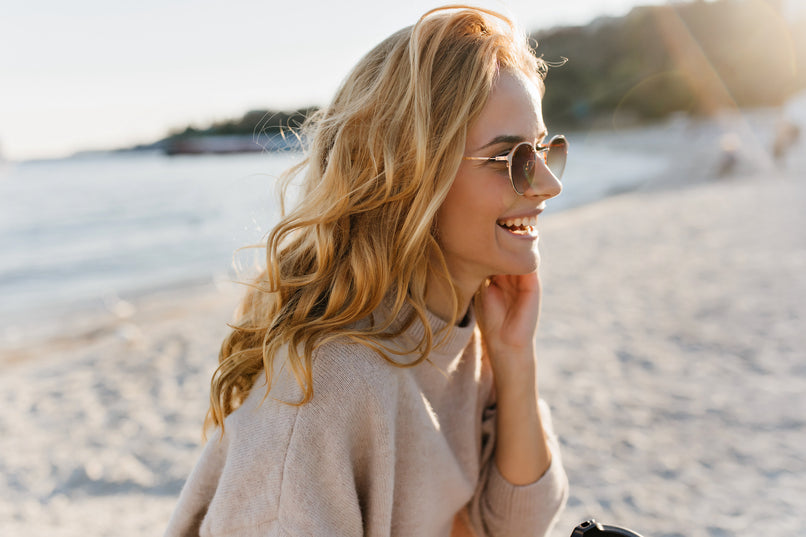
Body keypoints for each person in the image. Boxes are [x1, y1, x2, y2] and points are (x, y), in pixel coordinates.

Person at [165, 5, 569, 536]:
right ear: (411, 173)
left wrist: (516, 359)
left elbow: (518, 525)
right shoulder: (327, 391)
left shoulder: (463, 325)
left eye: (543, 149)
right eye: (510, 158)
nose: (547, 185)